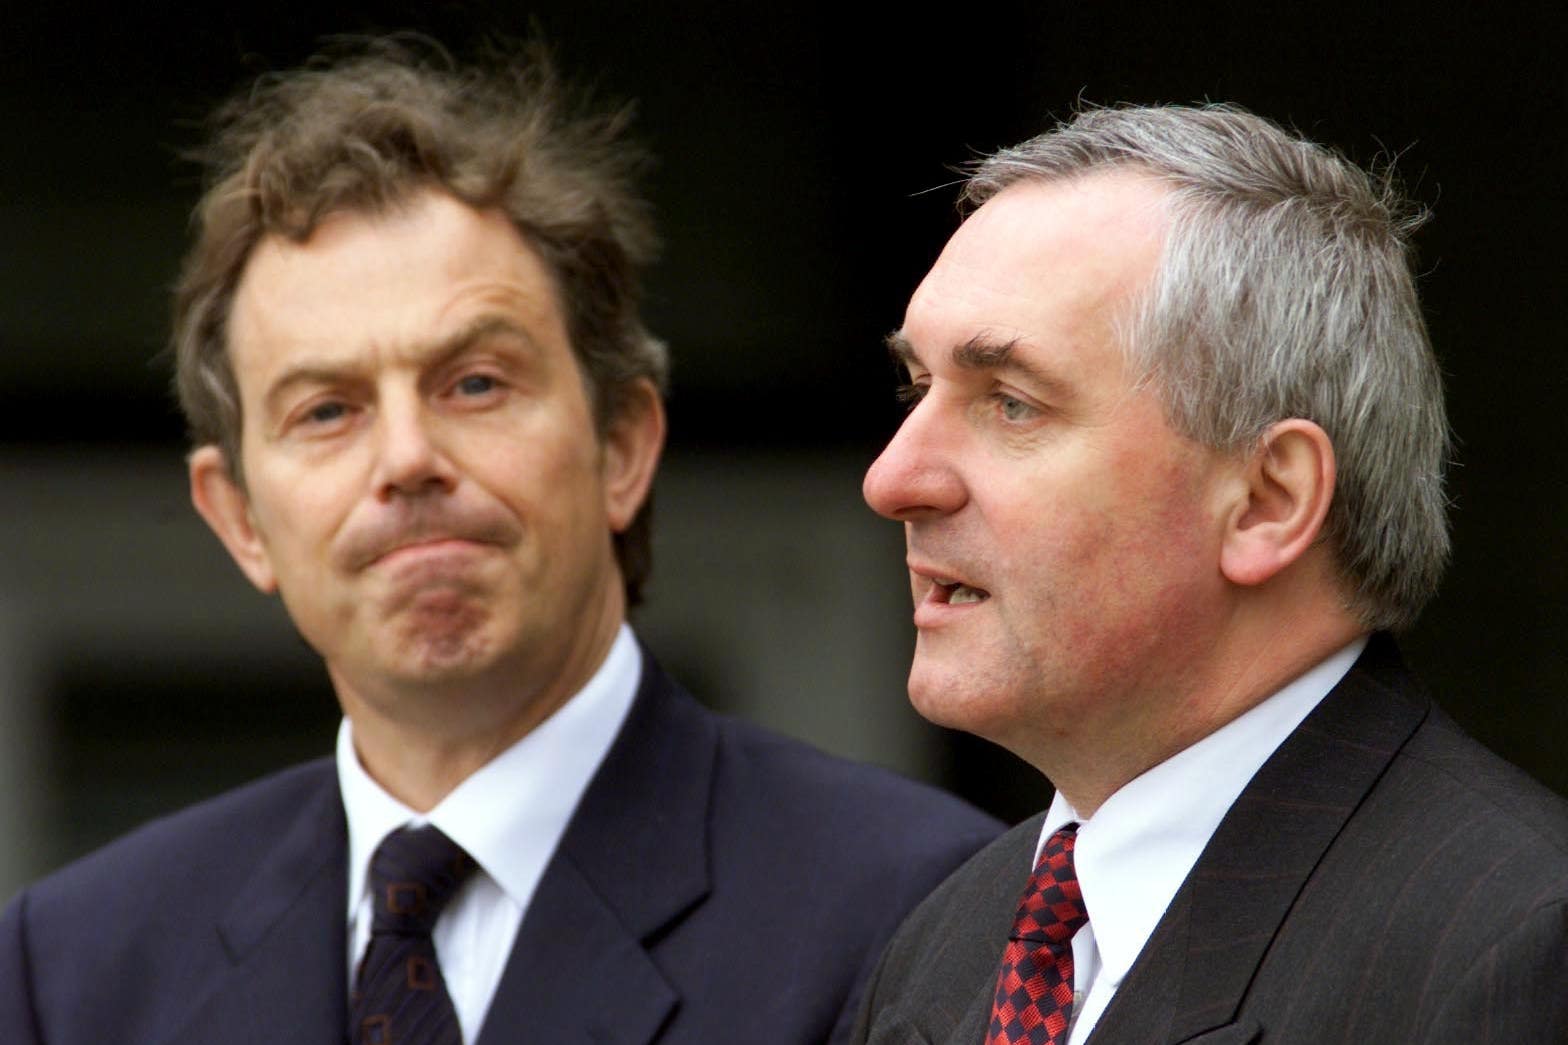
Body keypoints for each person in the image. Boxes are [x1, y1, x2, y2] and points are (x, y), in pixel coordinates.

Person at [0, 39, 1000, 1045]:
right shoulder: (74, 966)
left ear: (621, 443)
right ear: (239, 518)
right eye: (326, 410)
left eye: (474, 382)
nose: (406, 457)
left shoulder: (920, 911)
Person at [852, 104, 1568, 1044]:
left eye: (1012, 404)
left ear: (1269, 499)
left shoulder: (1515, 952)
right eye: (918, 388)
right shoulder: (949, 943)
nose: (892, 478)